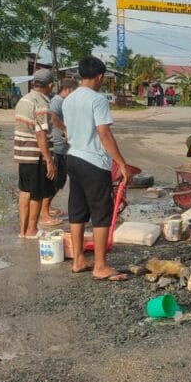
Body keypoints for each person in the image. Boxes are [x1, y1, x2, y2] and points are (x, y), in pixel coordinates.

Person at [64, 56, 136, 281]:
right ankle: (101, 266)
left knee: (77, 211)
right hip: (93, 162)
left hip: (73, 158)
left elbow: (68, 130)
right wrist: (122, 164)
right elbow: (104, 133)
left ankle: (78, 260)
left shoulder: (69, 98)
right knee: (101, 213)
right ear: (100, 76)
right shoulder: (97, 100)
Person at [14, 69, 57, 238]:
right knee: (37, 193)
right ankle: (32, 229)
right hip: (36, 154)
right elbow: (41, 134)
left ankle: (22, 230)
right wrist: (49, 160)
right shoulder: (41, 103)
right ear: (50, 85)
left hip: (23, 153)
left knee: (25, 191)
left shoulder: (23, 100)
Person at [40, 78, 77, 224]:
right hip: (57, 146)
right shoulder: (57, 101)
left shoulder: (62, 102)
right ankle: (44, 213)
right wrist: (64, 129)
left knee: (59, 180)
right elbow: (53, 117)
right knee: (56, 180)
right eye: (73, 92)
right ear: (67, 89)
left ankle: (47, 207)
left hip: (62, 146)